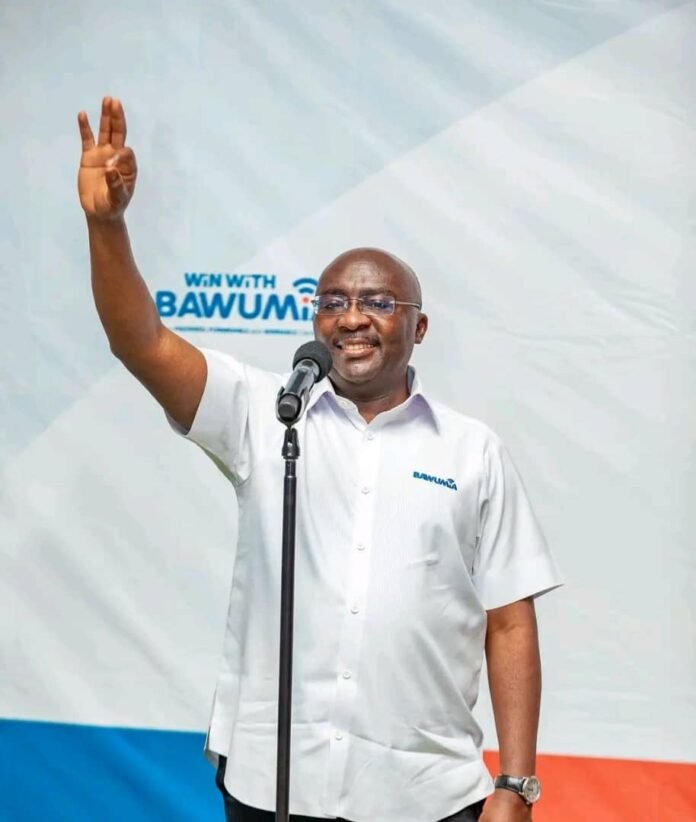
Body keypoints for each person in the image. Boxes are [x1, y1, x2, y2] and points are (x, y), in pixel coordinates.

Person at [77, 96, 563, 822]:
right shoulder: (264, 413)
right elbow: (140, 342)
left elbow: (511, 623)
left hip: (423, 792)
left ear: (420, 327)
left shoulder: (473, 452)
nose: (352, 316)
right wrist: (107, 226)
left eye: (379, 302)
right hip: (275, 781)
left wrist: (516, 784)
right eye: (333, 300)